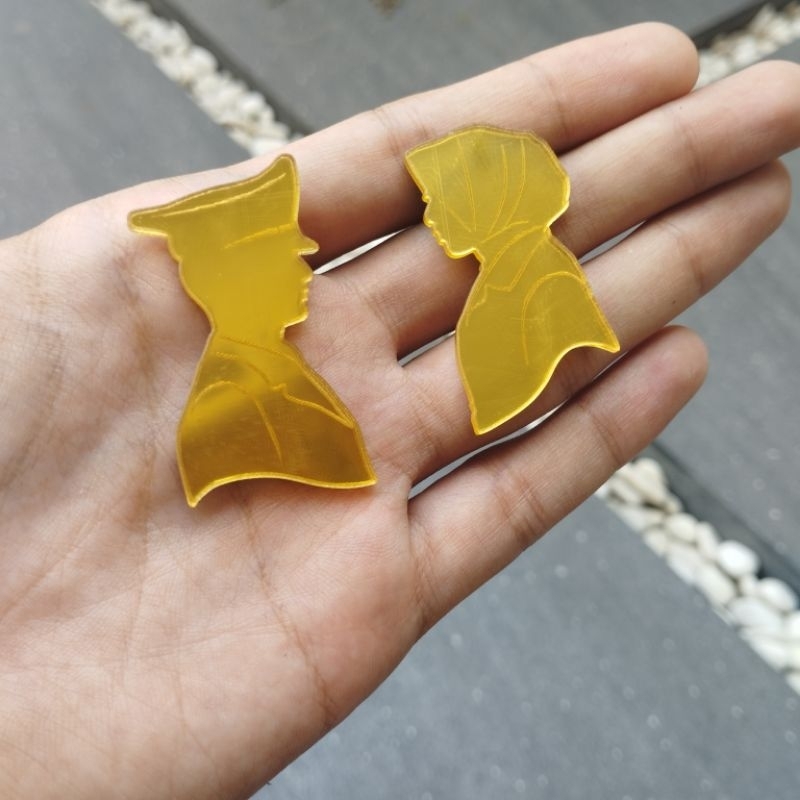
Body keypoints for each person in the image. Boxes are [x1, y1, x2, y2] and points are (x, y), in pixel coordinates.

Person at [0, 22, 797, 800]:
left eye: (447, 204)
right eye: (285, 256)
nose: (309, 273)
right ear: (226, 279)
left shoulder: (525, 308)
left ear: (491, 206)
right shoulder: (234, 411)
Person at [129, 154, 375, 506]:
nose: (306, 275)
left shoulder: (275, 364)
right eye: (288, 261)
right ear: (238, 280)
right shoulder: (225, 402)